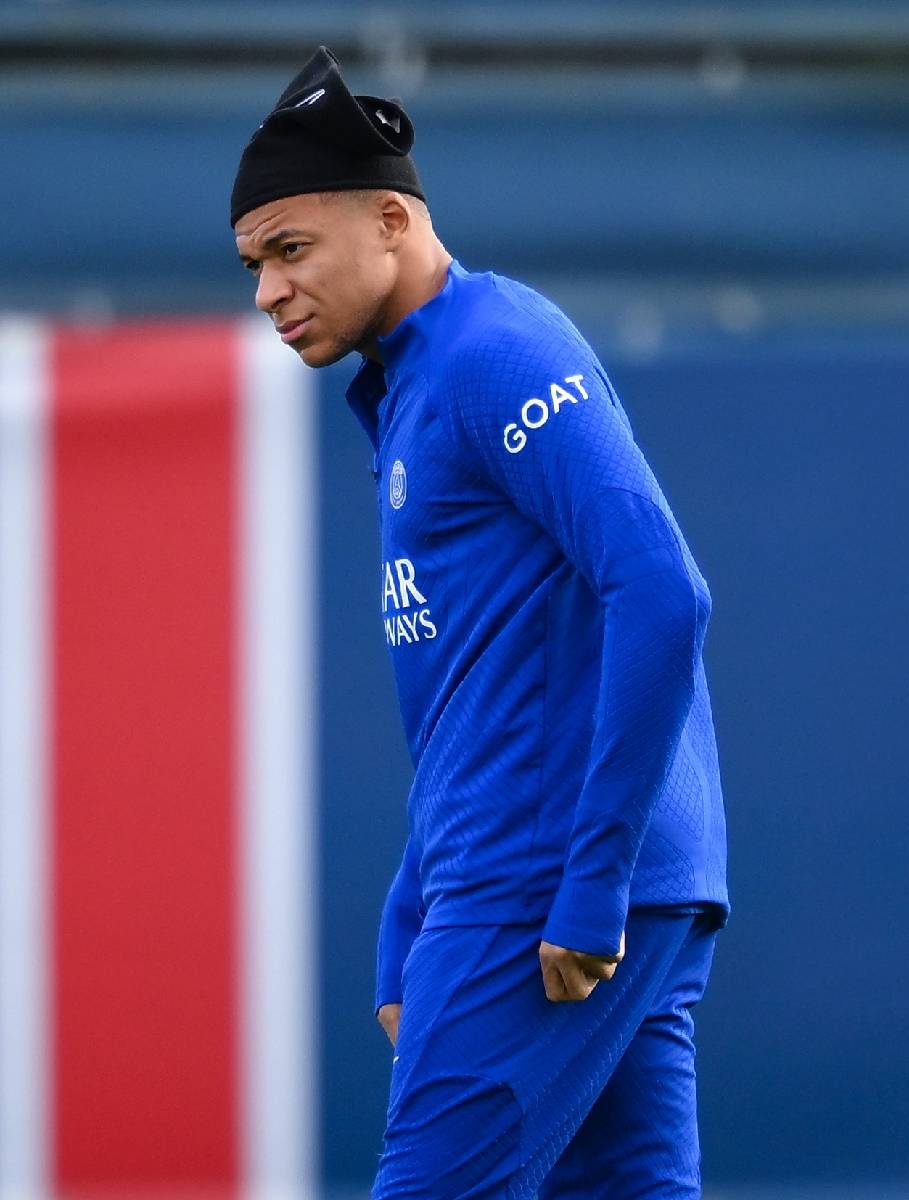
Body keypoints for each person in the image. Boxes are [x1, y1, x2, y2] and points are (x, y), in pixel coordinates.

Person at [229, 47, 729, 1197]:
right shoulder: (416, 381)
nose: (267, 292)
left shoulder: (494, 353)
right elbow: (482, 690)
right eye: (254, 264)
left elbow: (663, 593)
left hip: (542, 888)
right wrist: (409, 909)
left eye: (291, 249)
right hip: (578, 878)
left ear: (391, 220)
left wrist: (589, 883)